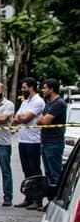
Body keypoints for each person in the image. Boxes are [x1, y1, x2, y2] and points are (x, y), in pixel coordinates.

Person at [13, 77, 45, 209]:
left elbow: (26, 118)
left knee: (34, 170)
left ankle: (38, 199)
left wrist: (21, 117)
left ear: (31, 87)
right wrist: (21, 117)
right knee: (26, 171)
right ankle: (29, 196)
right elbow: (16, 118)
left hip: (34, 140)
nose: (22, 90)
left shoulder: (38, 101)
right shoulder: (25, 102)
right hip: (23, 139)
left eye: (24, 88)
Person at [38, 78, 68, 208]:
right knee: (49, 173)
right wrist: (41, 119)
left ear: (51, 89)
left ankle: (58, 200)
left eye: (44, 88)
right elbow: (42, 119)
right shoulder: (48, 103)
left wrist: (41, 120)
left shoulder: (58, 103)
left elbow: (44, 121)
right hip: (46, 141)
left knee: (55, 173)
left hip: (54, 142)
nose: (43, 90)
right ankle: (51, 200)